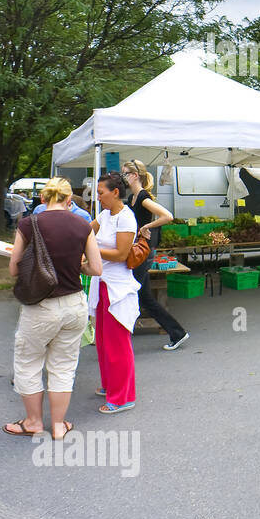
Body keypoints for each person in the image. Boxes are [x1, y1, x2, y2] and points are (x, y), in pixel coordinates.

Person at [0, 176, 94, 443]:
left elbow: (14, 268)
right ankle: (60, 425)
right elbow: (96, 269)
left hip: (41, 306)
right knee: (63, 365)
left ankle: (34, 422)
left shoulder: (29, 224)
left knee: (28, 363)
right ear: (69, 200)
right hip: (74, 305)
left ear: (42, 199)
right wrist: (78, 266)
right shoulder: (83, 224)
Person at [88, 173, 142, 414]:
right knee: (102, 341)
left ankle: (122, 397)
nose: (97, 197)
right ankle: (110, 384)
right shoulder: (104, 215)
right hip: (101, 283)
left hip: (118, 288)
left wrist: (92, 251)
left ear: (115, 192)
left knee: (117, 343)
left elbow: (121, 254)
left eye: (101, 192)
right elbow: (86, 233)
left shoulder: (126, 218)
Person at [124, 167, 189, 351]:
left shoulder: (143, 198)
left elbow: (167, 216)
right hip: (139, 251)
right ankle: (178, 333)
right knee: (144, 298)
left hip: (143, 252)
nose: (123, 177)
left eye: (125, 173)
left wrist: (147, 227)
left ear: (135, 175)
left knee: (129, 292)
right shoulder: (132, 198)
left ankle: (119, 339)